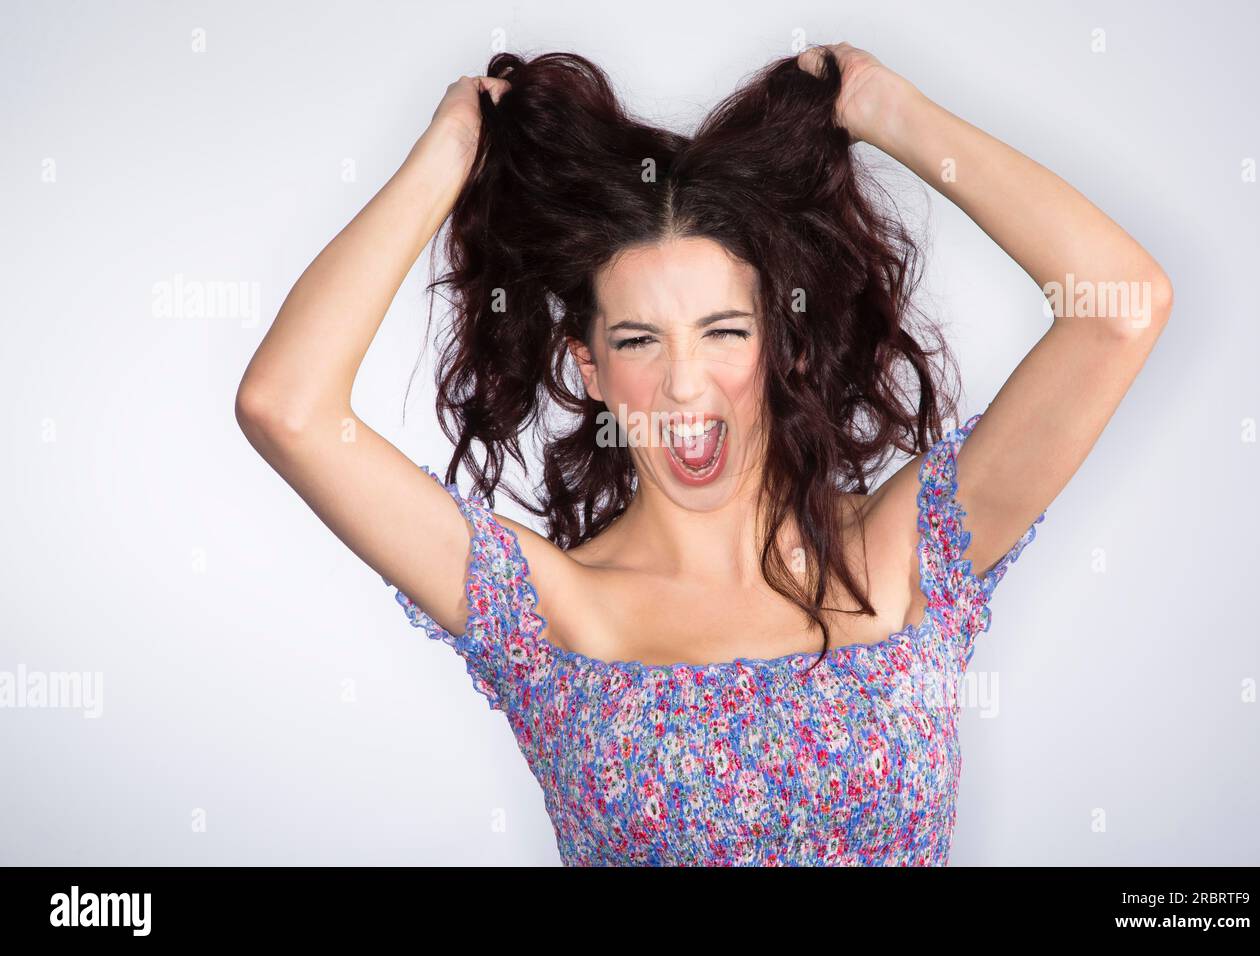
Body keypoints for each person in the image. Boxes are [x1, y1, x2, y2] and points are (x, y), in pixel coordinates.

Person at [235, 43, 1172, 865]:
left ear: (783, 345)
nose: (685, 385)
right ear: (589, 368)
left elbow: (1119, 307)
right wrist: (451, 156)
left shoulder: (906, 555)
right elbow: (288, 407)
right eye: (639, 340)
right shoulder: (551, 612)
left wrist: (887, 110)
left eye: (724, 331)